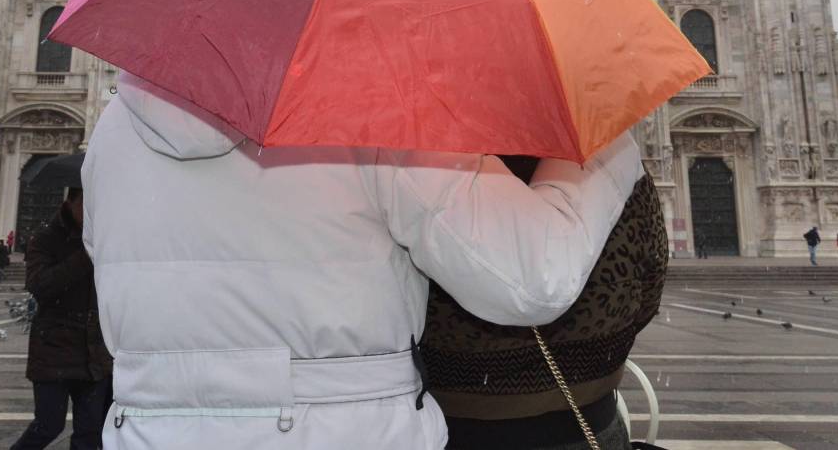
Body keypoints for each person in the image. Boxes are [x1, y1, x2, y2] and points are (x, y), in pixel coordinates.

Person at [83, 72, 645, 450]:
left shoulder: (114, 129)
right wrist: (608, 144)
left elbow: (116, 267)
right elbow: (530, 275)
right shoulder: (366, 102)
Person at [423, 163, 668, 450]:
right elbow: (651, 282)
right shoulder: (614, 157)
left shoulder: (432, 166)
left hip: (458, 427)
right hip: (591, 423)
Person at [10, 188, 112, 450]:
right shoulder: (46, 239)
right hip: (54, 349)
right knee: (48, 425)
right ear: (72, 201)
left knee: (91, 432)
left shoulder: (106, 240)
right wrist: (85, 256)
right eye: (87, 205)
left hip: (94, 352)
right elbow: (40, 285)